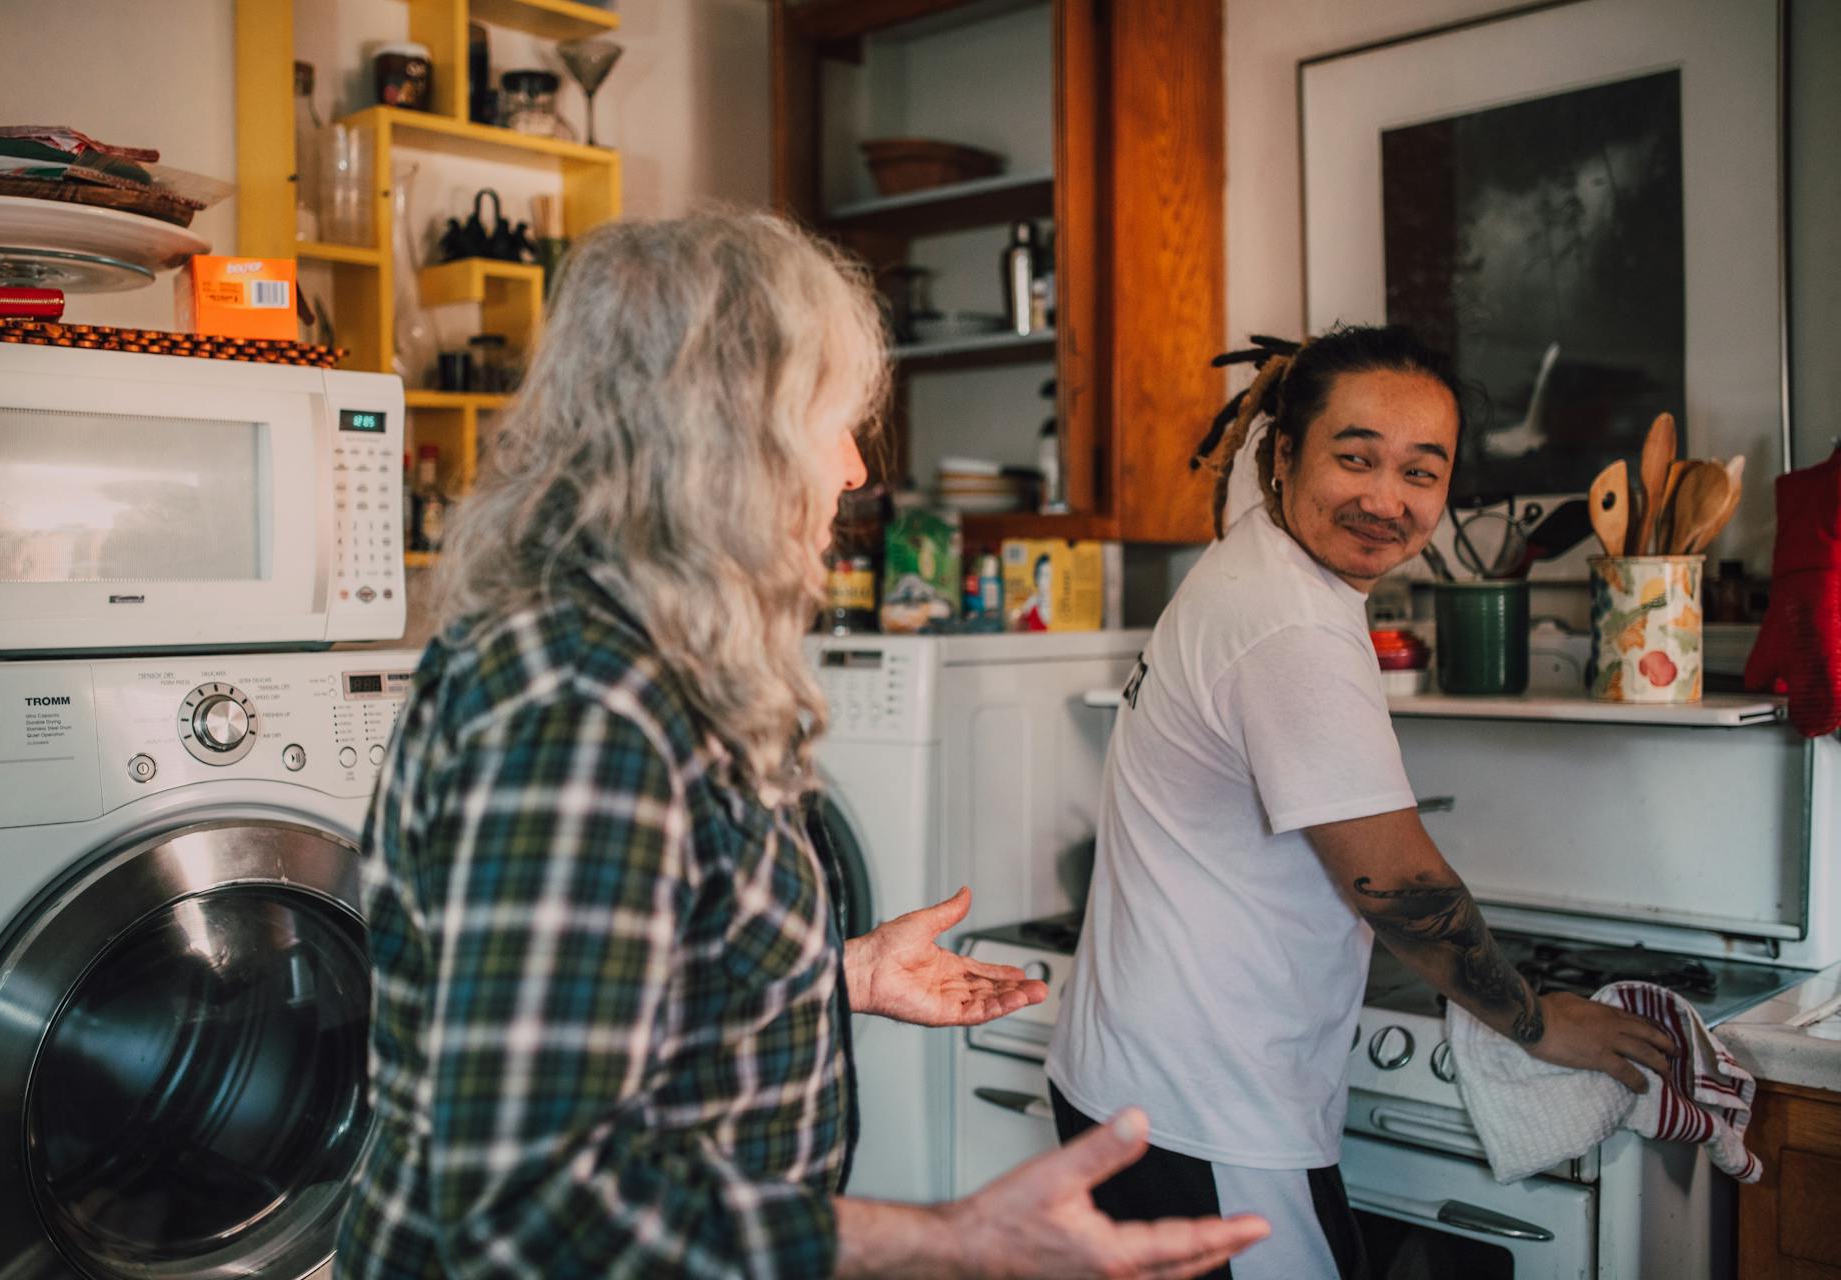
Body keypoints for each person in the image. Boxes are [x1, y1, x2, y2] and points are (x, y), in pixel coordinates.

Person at [333, 211, 1269, 1280]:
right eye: (834, 421)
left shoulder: (653, 655)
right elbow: (534, 1207)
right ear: (732, 433)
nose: (857, 468)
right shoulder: (587, 707)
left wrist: (837, 973)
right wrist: (952, 1241)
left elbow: (639, 984)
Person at [1045, 326, 1678, 1279]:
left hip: (1128, 1075)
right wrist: (1541, 1021)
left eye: (1423, 472)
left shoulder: (1254, 554)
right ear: (1285, 452)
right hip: (1205, 1109)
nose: (1388, 500)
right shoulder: (1292, 624)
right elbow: (1394, 885)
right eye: (1356, 457)